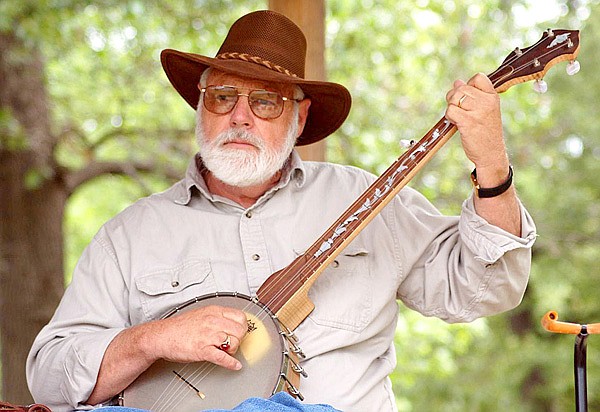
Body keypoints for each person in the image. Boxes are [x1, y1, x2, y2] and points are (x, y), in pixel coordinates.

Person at [26, 9, 536, 412]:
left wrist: (491, 163)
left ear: (299, 115)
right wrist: (151, 339)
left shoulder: (369, 201)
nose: (240, 117)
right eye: (222, 96)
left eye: (265, 102)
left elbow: (486, 289)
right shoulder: (130, 233)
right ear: (201, 106)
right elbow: (49, 377)